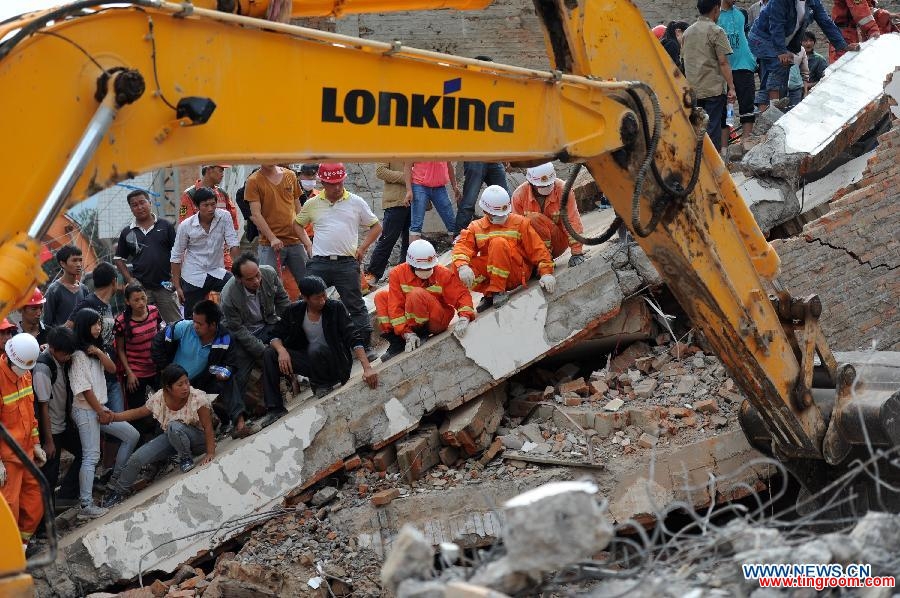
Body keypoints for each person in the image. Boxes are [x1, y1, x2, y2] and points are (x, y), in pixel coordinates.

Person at [260, 276, 378, 423]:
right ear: (305, 298)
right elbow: (275, 335)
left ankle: (323, 383)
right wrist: (281, 350)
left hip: (335, 362)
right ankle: (275, 408)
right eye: (317, 298)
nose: (323, 301)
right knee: (270, 353)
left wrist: (367, 368)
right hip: (311, 363)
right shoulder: (294, 311)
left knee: (315, 348)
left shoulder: (335, 307)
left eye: (324, 296)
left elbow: (353, 337)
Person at [295, 163, 382, 357]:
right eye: (332, 184)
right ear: (323, 182)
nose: (337, 187)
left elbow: (376, 226)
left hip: (346, 263)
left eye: (340, 182)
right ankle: (312, 351)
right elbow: (297, 224)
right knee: (308, 303)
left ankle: (364, 348)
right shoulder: (312, 203)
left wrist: (362, 248)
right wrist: (307, 245)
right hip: (319, 262)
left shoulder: (356, 201)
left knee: (356, 306)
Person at [101, 364, 217, 507]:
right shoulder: (160, 397)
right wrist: (113, 417)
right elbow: (138, 412)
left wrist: (210, 452)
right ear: (168, 387)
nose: (186, 387)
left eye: (187, 382)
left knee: (174, 426)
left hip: (199, 440)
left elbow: (208, 427)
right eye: (180, 384)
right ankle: (118, 493)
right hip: (174, 437)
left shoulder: (197, 397)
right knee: (137, 458)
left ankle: (186, 459)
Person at [69, 309, 139, 519]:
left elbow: (111, 369)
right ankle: (85, 505)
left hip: (99, 409)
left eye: (99, 323)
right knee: (91, 456)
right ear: (84, 327)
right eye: (94, 324)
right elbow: (84, 389)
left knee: (131, 435)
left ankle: (115, 480)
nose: (99, 328)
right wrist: (100, 412)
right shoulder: (78, 355)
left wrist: (99, 353)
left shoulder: (96, 350)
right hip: (86, 411)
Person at [151, 300, 251, 439]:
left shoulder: (225, 338)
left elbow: (232, 364)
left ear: (213, 325)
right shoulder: (183, 327)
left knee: (229, 381)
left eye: (200, 324)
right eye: (194, 321)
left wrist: (225, 373)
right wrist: (165, 369)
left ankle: (240, 424)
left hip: (203, 382)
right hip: (174, 385)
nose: (195, 326)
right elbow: (157, 343)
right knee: (164, 422)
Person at [452, 186, 557, 312]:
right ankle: (490, 293)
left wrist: (546, 272)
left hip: (517, 272)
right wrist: (462, 266)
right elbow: (462, 246)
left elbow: (537, 249)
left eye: (504, 213)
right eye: (496, 214)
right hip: (495, 272)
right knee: (457, 266)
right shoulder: (476, 227)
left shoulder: (520, 222)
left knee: (498, 243)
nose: (501, 217)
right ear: (485, 211)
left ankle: (497, 290)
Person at [375, 240, 476, 362]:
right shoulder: (397, 274)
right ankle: (398, 341)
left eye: (429, 267)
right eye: (422, 268)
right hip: (412, 323)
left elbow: (461, 294)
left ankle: (420, 332)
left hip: (436, 320)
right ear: (411, 265)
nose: (427, 271)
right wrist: (405, 333)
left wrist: (465, 317)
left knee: (416, 293)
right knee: (380, 297)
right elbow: (395, 305)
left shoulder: (441, 272)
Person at [749, 0, 855, 111]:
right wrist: (781, 51)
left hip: (782, 42)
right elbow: (776, 24)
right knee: (779, 61)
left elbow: (826, 22)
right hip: (761, 38)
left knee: (785, 66)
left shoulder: (813, 2)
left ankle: (768, 107)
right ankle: (774, 102)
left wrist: (843, 45)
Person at [221, 253, 289, 412]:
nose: (256, 281)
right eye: (250, 279)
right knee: (241, 374)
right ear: (239, 279)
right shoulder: (229, 296)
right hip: (243, 335)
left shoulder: (269, 274)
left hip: (269, 324)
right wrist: (261, 350)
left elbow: (283, 303)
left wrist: (291, 328)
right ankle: (239, 414)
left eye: (257, 275)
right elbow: (237, 329)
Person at [0, 333, 46, 544]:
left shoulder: (24, 374)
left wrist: (36, 444)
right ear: (8, 358)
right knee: (9, 508)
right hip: (7, 458)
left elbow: (30, 413)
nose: (24, 372)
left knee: (35, 499)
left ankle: (23, 545)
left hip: (26, 451)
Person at [171, 187, 240, 318]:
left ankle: (230, 324)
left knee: (237, 287)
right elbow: (176, 256)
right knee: (192, 318)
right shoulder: (186, 226)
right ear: (197, 206)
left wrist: (238, 270)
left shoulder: (224, 216)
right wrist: (178, 287)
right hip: (193, 275)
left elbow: (233, 243)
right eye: (205, 205)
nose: (210, 208)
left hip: (216, 270)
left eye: (213, 204)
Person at [114, 189, 181, 324]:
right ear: (131, 209)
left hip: (165, 285)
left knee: (176, 325)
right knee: (142, 326)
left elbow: (177, 254)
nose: (139, 207)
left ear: (150, 203)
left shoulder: (165, 226)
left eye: (142, 202)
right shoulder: (127, 232)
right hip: (141, 289)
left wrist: (176, 281)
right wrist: (130, 280)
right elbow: (118, 259)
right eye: (134, 205)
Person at [34, 326, 81, 511]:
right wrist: (48, 441)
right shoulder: (43, 368)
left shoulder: (61, 361)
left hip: (63, 424)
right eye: (65, 354)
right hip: (51, 429)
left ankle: (65, 496)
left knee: (85, 453)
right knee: (49, 476)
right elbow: (43, 406)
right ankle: (45, 523)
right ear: (53, 349)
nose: (68, 357)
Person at [67, 262, 124, 413]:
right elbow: (68, 328)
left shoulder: (107, 305)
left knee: (117, 420)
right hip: (94, 378)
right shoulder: (88, 303)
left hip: (110, 373)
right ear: (114, 281)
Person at [244, 164, 311, 288]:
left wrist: (305, 239)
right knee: (270, 287)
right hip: (269, 245)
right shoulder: (253, 181)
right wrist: (272, 238)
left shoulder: (290, 175)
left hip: (295, 241)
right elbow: (256, 214)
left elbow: (297, 207)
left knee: (309, 284)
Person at [682, 0, 736, 152]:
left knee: (696, 128)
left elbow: (683, 61)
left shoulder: (687, 32)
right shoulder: (716, 31)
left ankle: (697, 162)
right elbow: (723, 63)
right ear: (716, 9)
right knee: (712, 128)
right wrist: (731, 87)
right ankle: (712, 165)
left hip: (693, 90)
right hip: (713, 90)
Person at [511, 163, 586, 266]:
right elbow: (517, 231)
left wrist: (577, 252)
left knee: (533, 218)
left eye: (548, 184)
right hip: (534, 246)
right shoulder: (519, 196)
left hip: (558, 241)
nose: (546, 187)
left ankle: (545, 260)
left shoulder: (563, 190)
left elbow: (572, 221)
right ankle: (540, 261)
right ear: (531, 182)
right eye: (542, 185)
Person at [114, 282, 163, 421]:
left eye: (143, 298)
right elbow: (120, 349)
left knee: (164, 403)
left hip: (156, 366)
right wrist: (129, 373)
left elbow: (159, 336)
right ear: (127, 301)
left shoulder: (154, 311)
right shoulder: (121, 322)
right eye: (136, 300)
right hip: (136, 372)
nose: (141, 303)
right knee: (138, 413)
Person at [362, 161, 411, 292]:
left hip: (416, 200)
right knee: (388, 239)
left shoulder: (415, 146)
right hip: (395, 201)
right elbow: (381, 171)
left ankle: (405, 274)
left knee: (410, 241)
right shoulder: (388, 146)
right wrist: (407, 177)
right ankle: (373, 274)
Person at [179, 165, 240, 270]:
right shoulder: (190, 194)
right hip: (199, 257)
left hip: (223, 256)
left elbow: (233, 222)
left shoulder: (222, 194)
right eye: (220, 170)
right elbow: (185, 227)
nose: (222, 173)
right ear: (208, 170)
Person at [718, 0, 758, 149]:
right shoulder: (716, 15)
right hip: (725, 68)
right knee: (727, 108)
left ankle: (746, 144)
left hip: (744, 66)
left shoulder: (742, 14)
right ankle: (724, 149)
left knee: (747, 105)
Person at [405, 161, 459, 241]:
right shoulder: (416, 147)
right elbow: (408, 165)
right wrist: (409, 190)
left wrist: (455, 186)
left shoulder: (445, 148)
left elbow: (448, 164)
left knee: (451, 222)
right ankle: (413, 252)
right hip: (419, 184)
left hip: (439, 186)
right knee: (416, 225)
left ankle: (457, 251)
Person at [830, 0, 898, 62]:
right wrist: (873, 30)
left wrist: (887, 14)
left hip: (849, 31)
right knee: (843, 64)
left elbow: (866, 8)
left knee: (850, 63)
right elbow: (860, 11)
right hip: (844, 34)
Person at [41, 245, 87, 328]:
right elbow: (47, 323)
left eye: (80, 260)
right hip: (61, 339)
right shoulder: (54, 290)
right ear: (63, 263)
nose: (79, 264)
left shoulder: (84, 289)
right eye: (74, 260)